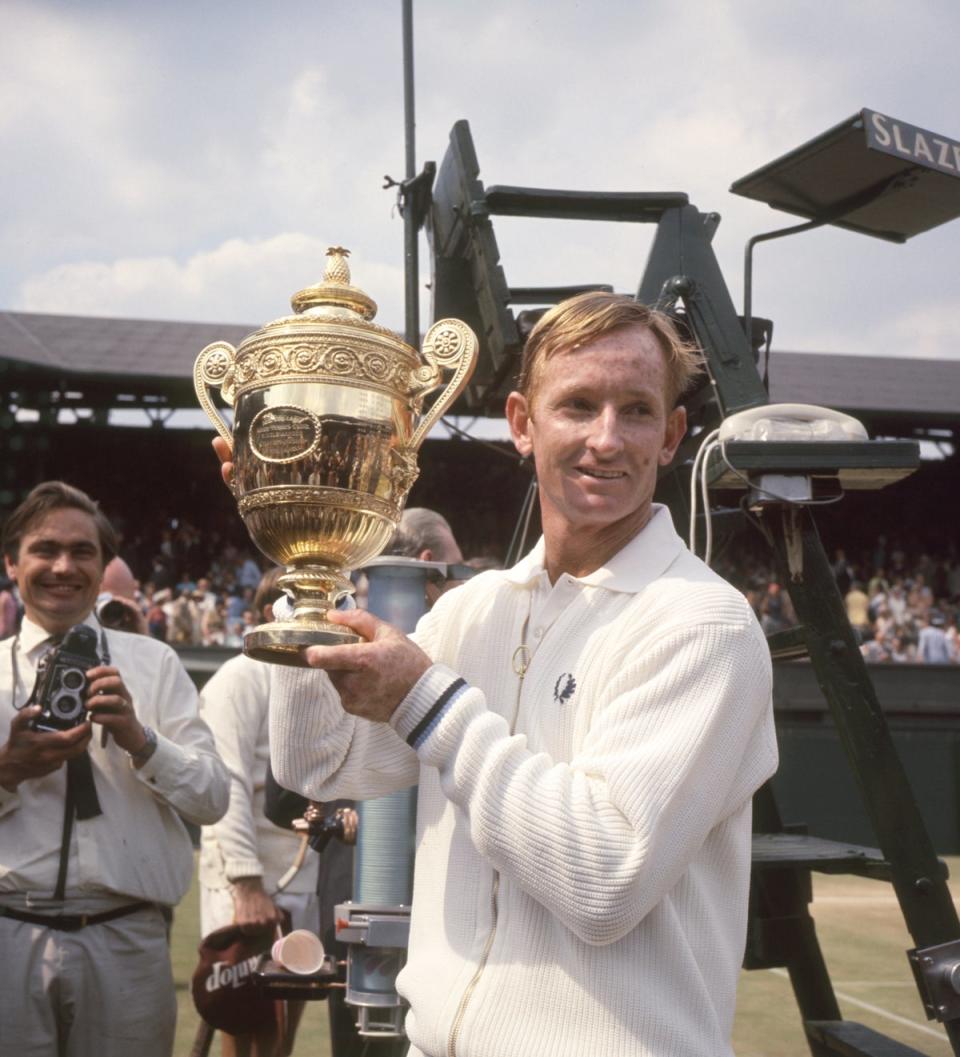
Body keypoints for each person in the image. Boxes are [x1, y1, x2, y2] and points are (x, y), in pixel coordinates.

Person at [217, 292, 778, 1057]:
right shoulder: (473, 609)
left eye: (637, 410)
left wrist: (428, 701)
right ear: (522, 423)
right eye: (577, 405)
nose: (606, 440)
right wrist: (309, 563)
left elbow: (604, 878)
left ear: (673, 434)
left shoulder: (703, 624)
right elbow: (323, 763)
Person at [0, 481, 229, 1057]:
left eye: (82, 552)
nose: (62, 566)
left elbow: (212, 799)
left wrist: (141, 739)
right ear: (11, 563)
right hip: (8, 932)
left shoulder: (152, 666)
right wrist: (6, 771)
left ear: (105, 568)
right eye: (44, 549)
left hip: (124, 935)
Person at [198, 567, 320, 1057]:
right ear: (271, 612)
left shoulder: (316, 680)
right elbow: (224, 780)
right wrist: (245, 883)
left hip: (303, 877)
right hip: (248, 884)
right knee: (243, 1030)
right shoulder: (240, 676)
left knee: (280, 1038)